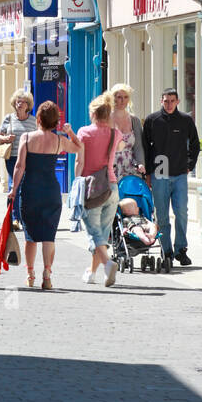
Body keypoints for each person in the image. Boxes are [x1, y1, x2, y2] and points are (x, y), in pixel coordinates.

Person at [7, 101, 81, 290]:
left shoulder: (26, 138)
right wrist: (70, 132)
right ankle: (47, 274)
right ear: (56, 121)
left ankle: (30, 274)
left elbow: (20, 166)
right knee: (49, 236)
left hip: (30, 191)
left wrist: (13, 189)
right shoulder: (59, 141)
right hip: (51, 192)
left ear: (38, 119)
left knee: (30, 237)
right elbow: (78, 147)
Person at [142, 88, 200, 267]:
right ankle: (166, 250)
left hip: (180, 173)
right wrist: (148, 173)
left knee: (182, 212)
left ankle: (181, 250)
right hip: (159, 172)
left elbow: (195, 144)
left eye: (172, 101)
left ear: (178, 101)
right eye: (166, 101)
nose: (169, 104)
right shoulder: (152, 120)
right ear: (161, 101)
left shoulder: (185, 120)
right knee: (162, 216)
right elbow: (146, 148)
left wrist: (189, 165)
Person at [77, 94, 121, 287]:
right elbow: (120, 148)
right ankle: (92, 272)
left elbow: (80, 161)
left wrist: (77, 181)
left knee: (94, 232)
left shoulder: (84, 132)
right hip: (111, 186)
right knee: (102, 234)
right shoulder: (115, 133)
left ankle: (107, 264)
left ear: (94, 113)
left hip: (91, 188)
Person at [0, 90, 38, 230]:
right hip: (12, 158)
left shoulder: (33, 121)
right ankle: (14, 218)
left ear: (28, 105)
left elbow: (38, 137)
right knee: (14, 186)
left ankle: (24, 217)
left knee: (26, 189)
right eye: (17, 101)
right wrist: (5, 138)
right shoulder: (9, 118)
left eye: (23, 102)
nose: (19, 104)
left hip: (29, 158)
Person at [108, 83, 147, 180]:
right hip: (110, 167)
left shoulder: (135, 120)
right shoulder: (106, 119)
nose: (122, 100)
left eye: (125, 97)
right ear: (113, 98)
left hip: (130, 167)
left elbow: (138, 146)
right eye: (119, 97)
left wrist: (141, 163)